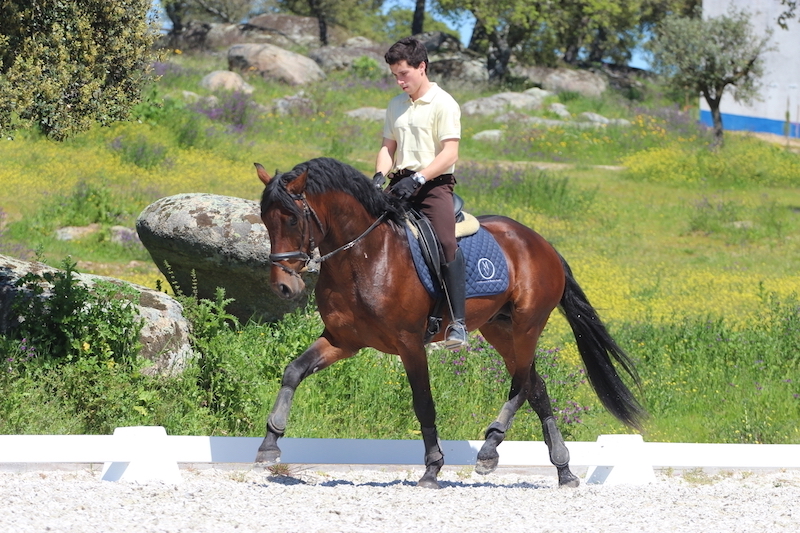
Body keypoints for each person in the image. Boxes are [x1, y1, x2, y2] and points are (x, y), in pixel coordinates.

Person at [373, 37, 467, 351]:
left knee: (444, 241)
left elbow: (450, 153)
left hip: (433, 186)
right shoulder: (395, 105)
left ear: (421, 67)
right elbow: (389, 147)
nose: (399, 81)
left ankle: (458, 322)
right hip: (398, 183)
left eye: (404, 74)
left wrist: (419, 177)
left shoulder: (444, 103)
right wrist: (378, 176)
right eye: (395, 76)